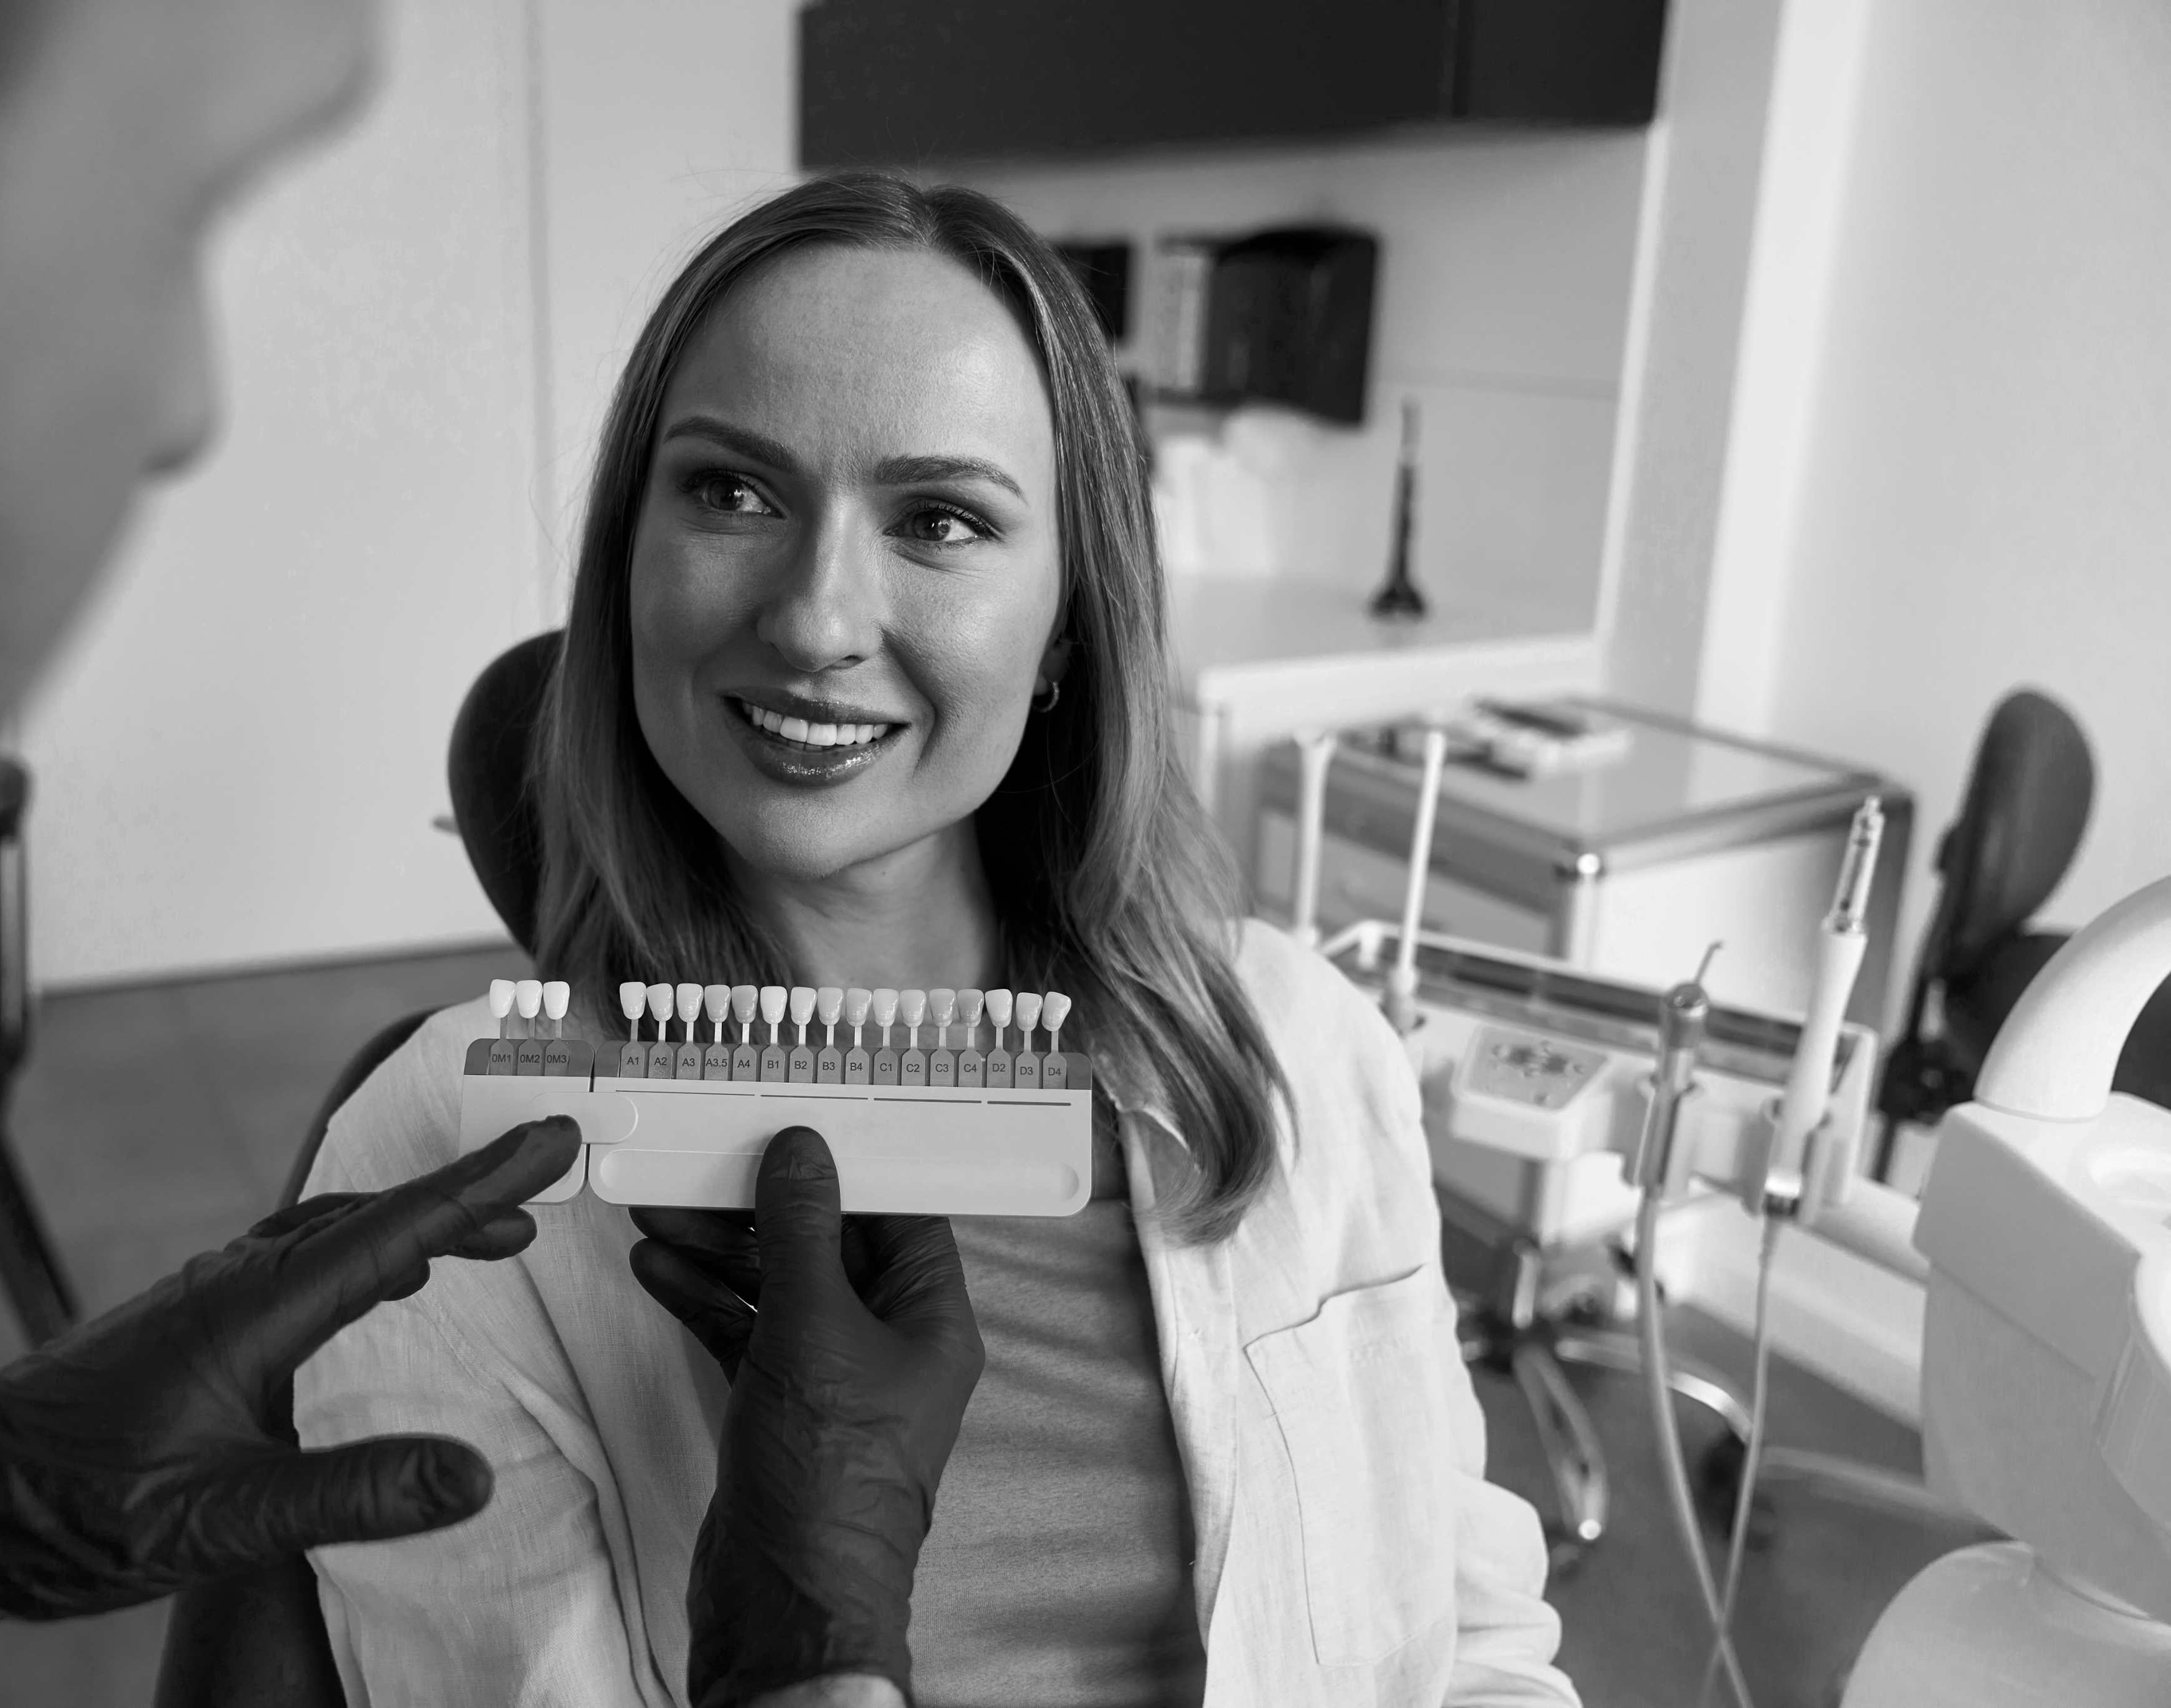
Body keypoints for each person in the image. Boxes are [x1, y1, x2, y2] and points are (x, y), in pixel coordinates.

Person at [0, 4, 975, 1705]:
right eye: (176, 196)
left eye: (945, 517)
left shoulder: (1261, 1070)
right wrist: (812, 1670)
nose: (187, 409)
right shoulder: (429, 1135)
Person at [296, 173, 1580, 1707]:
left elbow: (1473, 1643)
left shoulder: (1300, 1049)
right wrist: (804, 1651)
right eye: (732, 492)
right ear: (623, 562)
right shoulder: (436, 1172)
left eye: (940, 520)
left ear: (1064, 631)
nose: (816, 620)